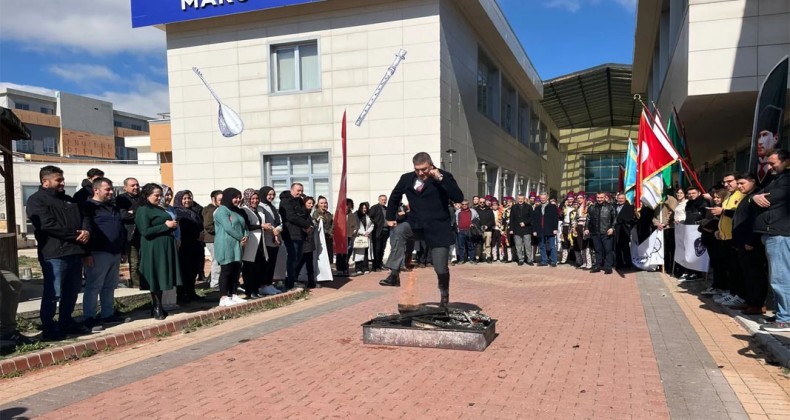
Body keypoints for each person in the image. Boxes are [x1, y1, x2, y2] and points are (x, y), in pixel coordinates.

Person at [379, 152, 464, 309]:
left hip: (438, 228)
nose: (420, 173)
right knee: (399, 231)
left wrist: (440, 179)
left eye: (424, 169)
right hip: (416, 225)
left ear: (431, 165)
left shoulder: (444, 176)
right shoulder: (407, 178)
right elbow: (395, 196)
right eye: (417, 169)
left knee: (440, 268)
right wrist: (390, 217)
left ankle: (444, 295)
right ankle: (394, 274)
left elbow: (458, 197)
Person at [27, 165, 91, 340]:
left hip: (74, 252)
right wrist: (75, 235)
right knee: (54, 293)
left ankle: (66, 322)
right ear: (45, 182)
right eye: (59, 180)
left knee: (72, 291)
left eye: (62, 179)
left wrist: (85, 231)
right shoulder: (36, 200)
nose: (63, 183)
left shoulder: (69, 200)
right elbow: (47, 225)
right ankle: (48, 327)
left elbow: (84, 217)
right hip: (54, 254)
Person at [81, 177, 127, 331]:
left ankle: (107, 314)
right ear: (96, 190)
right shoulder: (88, 207)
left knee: (109, 286)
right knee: (93, 286)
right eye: (107, 189)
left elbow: (119, 229)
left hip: (114, 252)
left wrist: (122, 250)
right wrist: (86, 253)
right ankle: (89, 318)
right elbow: (86, 229)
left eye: (111, 189)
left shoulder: (112, 207)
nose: (111, 192)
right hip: (97, 252)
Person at [753, 149, 790, 332]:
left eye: (773, 162)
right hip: (771, 232)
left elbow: (771, 198)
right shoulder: (775, 178)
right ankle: (780, 314)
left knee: (780, 277)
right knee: (776, 276)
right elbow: (759, 194)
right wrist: (754, 196)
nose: (770, 166)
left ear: (786, 161)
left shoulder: (787, 179)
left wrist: (759, 197)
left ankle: (785, 318)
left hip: (779, 233)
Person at [135, 183, 181, 320]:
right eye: (157, 195)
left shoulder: (158, 208)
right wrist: (165, 226)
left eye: (161, 195)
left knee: (162, 277)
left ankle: (159, 305)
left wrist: (172, 227)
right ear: (147, 195)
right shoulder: (143, 209)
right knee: (155, 277)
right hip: (153, 248)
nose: (159, 197)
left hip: (165, 246)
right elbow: (145, 231)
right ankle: (156, 306)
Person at [732, 173, 768, 315]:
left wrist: (751, 241)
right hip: (741, 242)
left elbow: (756, 220)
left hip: (751, 243)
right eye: (738, 184)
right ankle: (749, 300)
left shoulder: (757, 196)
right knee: (746, 273)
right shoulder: (746, 197)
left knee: (756, 274)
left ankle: (758, 304)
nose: (739, 186)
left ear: (752, 181)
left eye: (742, 183)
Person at [214, 188, 249, 306]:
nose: (238, 200)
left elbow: (244, 225)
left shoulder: (237, 211)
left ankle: (234, 294)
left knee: (236, 270)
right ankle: (224, 297)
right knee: (226, 270)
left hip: (237, 245)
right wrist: (241, 237)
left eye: (239, 197)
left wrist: (246, 236)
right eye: (235, 197)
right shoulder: (221, 211)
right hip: (225, 244)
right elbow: (228, 227)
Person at [278, 183, 314, 290]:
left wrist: (307, 225)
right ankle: (290, 282)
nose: (300, 193)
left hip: (300, 233)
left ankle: (293, 279)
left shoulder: (299, 201)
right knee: (292, 257)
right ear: (292, 190)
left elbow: (305, 214)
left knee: (298, 257)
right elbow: (291, 216)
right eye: (298, 190)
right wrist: (305, 224)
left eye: (301, 191)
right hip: (290, 233)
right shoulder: (285, 201)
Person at [173, 190, 205, 303]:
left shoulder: (193, 212)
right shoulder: (177, 212)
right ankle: (181, 294)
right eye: (184, 198)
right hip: (184, 246)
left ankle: (191, 292)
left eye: (189, 198)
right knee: (183, 271)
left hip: (195, 245)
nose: (187, 200)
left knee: (193, 270)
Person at [241, 188, 272, 298]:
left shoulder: (259, 209)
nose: (255, 201)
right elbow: (246, 226)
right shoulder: (244, 210)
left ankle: (256, 289)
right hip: (251, 241)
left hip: (260, 242)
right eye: (252, 198)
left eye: (256, 198)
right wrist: (261, 226)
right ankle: (249, 291)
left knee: (259, 266)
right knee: (249, 268)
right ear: (247, 199)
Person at [116, 177, 141, 288]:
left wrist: (133, 212)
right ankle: (137, 286)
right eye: (132, 185)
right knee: (134, 263)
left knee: (144, 262)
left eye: (137, 185)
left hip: (144, 235)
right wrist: (138, 213)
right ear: (125, 187)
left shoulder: (143, 198)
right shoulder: (121, 199)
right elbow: (124, 215)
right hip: (130, 235)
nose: (136, 187)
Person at [258, 186, 283, 295]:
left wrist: (279, 229)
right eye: (269, 194)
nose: (271, 196)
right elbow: (264, 223)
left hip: (275, 239)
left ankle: (269, 284)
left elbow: (279, 221)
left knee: (272, 263)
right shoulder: (260, 206)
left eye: (273, 194)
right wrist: (274, 230)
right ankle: (263, 285)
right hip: (267, 239)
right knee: (266, 263)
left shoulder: (272, 206)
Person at [585, 192, 615, 274]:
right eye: (598, 197)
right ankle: (597, 266)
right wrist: (586, 228)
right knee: (597, 250)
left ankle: (608, 267)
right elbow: (588, 219)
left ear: (605, 197)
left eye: (601, 197)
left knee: (608, 250)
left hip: (606, 232)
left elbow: (615, 219)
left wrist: (612, 228)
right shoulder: (592, 207)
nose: (599, 199)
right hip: (595, 232)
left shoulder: (610, 207)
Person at [294, 196, 318, 288]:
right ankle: (294, 278)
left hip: (309, 241)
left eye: (312, 204)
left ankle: (311, 281)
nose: (311, 205)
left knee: (308, 261)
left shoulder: (309, 214)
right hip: (304, 241)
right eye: (309, 203)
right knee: (302, 261)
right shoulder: (302, 213)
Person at [202, 190, 223, 289]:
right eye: (219, 200)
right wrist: (221, 231)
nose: (221, 202)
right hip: (212, 239)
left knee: (220, 261)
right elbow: (208, 226)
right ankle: (215, 283)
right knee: (217, 261)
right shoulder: (210, 210)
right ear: (213, 199)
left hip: (218, 238)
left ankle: (217, 281)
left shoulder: (219, 209)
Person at [532, 192, 559, 267]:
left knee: (552, 246)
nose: (542, 199)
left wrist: (555, 228)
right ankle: (544, 261)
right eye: (541, 198)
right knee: (541, 246)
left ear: (547, 198)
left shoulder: (552, 207)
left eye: (544, 198)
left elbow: (555, 218)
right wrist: (534, 230)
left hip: (550, 229)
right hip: (540, 229)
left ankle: (554, 261)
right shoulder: (537, 208)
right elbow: (534, 220)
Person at [613, 193, 636, 270]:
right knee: (617, 247)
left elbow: (631, 219)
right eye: (619, 198)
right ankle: (619, 263)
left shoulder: (630, 207)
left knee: (625, 248)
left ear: (625, 199)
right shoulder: (614, 206)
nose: (620, 200)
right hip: (616, 230)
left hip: (624, 230)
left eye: (622, 198)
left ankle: (628, 263)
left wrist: (622, 220)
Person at [510, 194, 533, 266]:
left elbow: (531, 218)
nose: (520, 200)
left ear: (524, 199)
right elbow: (511, 219)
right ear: (517, 199)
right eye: (519, 199)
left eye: (522, 199)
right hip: (517, 229)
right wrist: (511, 229)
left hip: (526, 229)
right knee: (518, 245)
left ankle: (529, 259)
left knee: (527, 245)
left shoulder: (529, 207)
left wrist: (525, 223)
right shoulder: (514, 207)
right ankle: (520, 259)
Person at [368, 194, 389, 272]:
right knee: (377, 249)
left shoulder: (387, 209)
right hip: (377, 231)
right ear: (379, 200)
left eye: (385, 199)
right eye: (382, 199)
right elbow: (369, 217)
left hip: (386, 231)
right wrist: (375, 224)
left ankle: (380, 264)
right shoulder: (375, 207)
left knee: (382, 249)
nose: (384, 201)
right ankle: (375, 266)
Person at [572, 193, 592, 269]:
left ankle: (589, 263)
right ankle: (584, 262)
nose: (579, 199)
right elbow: (575, 219)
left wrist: (587, 228)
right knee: (581, 245)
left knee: (586, 245)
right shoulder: (578, 207)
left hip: (585, 227)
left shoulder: (587, 206)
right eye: (578, 198)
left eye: (580, 198)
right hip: (579, 227)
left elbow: (588, 218)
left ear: (584, 198)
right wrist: (574, 227)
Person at [353, 202, 373, 274]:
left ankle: (365, 267)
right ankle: (358, 268)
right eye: (362, 208)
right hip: (359, 236)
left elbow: (372, 225)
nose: (364, 209)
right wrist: (363, 233)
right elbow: (354, 226)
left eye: (365, 208)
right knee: (358, 253)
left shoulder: (369, 215)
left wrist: (368, 232)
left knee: (366, 252)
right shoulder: (355, 215)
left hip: (367, 236)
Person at [313, 196, 334, 264]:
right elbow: (317, 226)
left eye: (325, 203)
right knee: (322, 256)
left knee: (329, 255)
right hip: (321, 238)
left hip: (329, 238)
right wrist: (327, 233)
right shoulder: (316, 213)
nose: (324, 205)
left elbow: (332, 225)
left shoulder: (329, 214)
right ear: (318, 204)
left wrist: (331, 233)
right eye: (321, 203)